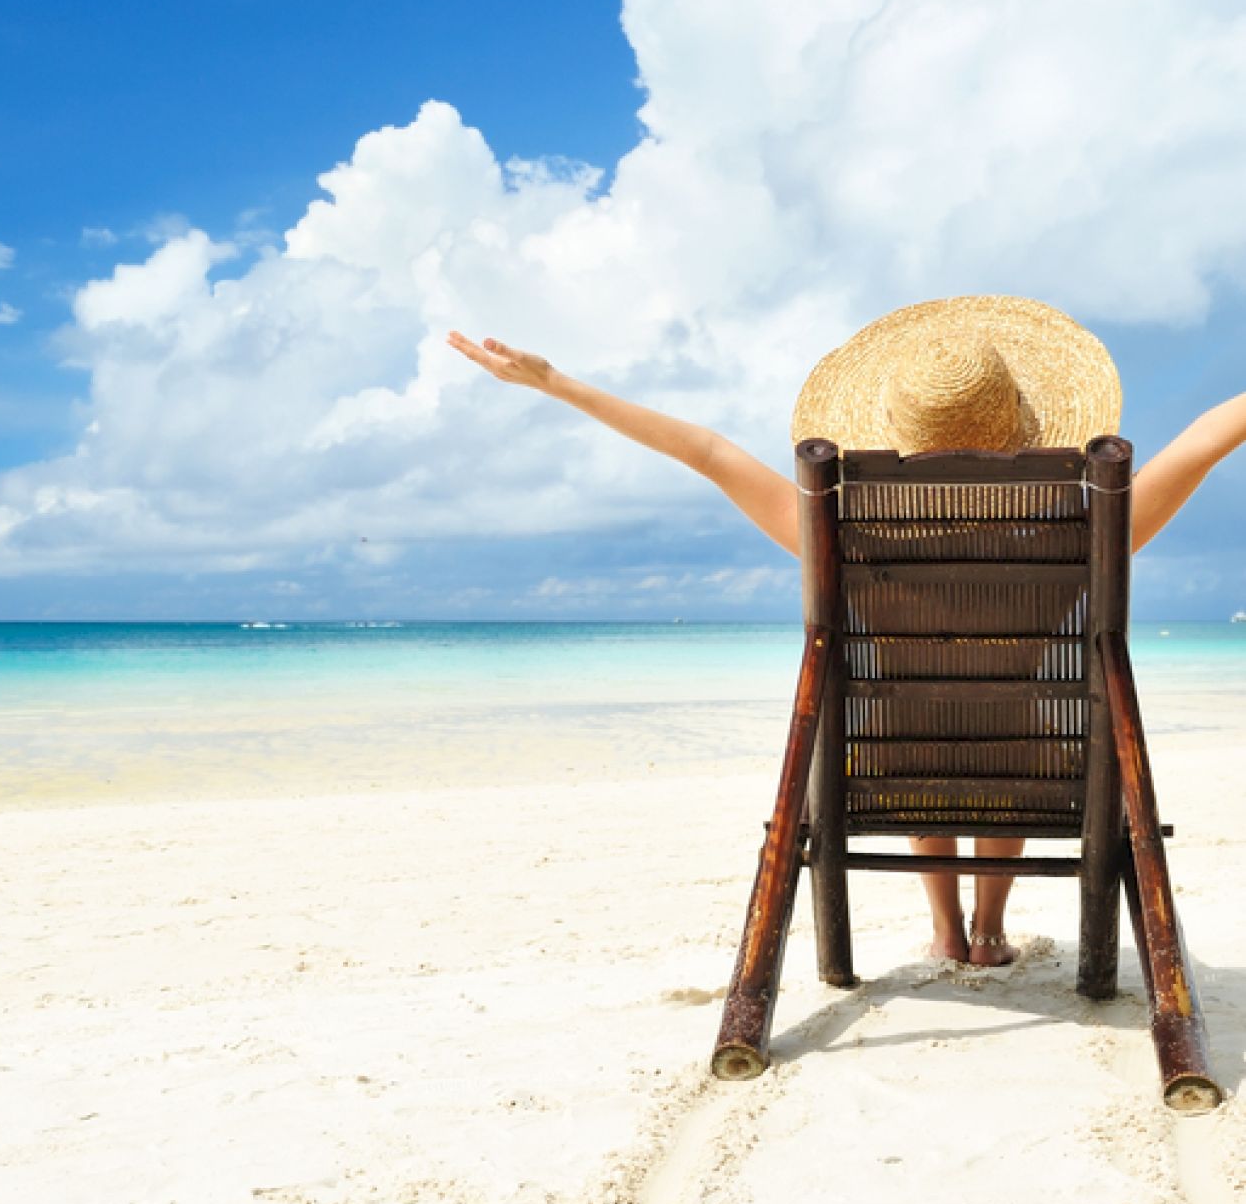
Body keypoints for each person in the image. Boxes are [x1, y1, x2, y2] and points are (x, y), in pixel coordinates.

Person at [448, 295, 1246, 967]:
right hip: (1032, 771)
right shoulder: (1080, 532)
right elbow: (1209, 438)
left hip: (890, 771)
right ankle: (991, 929)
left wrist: (558, 384)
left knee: (919, 716)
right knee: (1010, 720)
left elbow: (707, 450)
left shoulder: (841, 532)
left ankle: (943, 930)